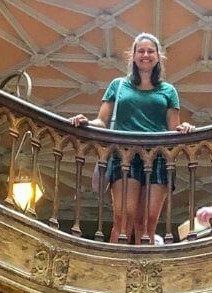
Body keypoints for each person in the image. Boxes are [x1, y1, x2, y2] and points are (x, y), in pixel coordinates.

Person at [71, 33, 194, 243]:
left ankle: (142, 262)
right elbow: (102, 120)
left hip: (158, 156)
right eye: (141, 51)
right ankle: (115, 261)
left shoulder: (168, 91)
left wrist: (186, 128)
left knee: (147, 220)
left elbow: (173, 129)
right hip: (124, 154)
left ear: (158, 56)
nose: (146, 55)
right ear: (134, 56)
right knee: (124, 217)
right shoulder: (119, 85)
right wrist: (86, 122)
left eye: (150, 51)